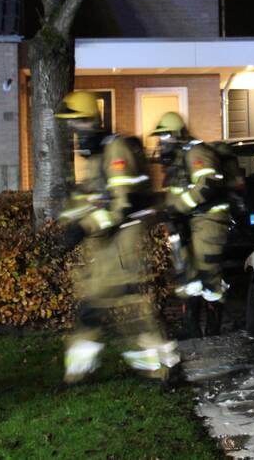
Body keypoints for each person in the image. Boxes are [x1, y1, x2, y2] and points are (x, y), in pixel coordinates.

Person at [54, 90, 181, 383]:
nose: (75, 133)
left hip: (123, 243)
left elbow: (120, 206)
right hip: (107, 245)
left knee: (125, 307)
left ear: (92, 120)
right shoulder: (98, 155)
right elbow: (93, 197)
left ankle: (163, 366)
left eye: (78, 125)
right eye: (72, 127)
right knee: (98, 305)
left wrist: (83, 227)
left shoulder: (115, 152)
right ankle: (82, 370)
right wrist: (68, 220)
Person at [151, 111, 232, 338]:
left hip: (208, 221)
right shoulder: (177, 158)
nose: (161, 143)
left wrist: (179, 207)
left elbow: (207, 183)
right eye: (160, 138)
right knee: (186, 274)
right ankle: (191, 327)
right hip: (186, 222)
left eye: (165, 137)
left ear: (177, 134)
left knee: (209, 274)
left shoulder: (196, 152)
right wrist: (169, 213)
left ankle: (214, 330)